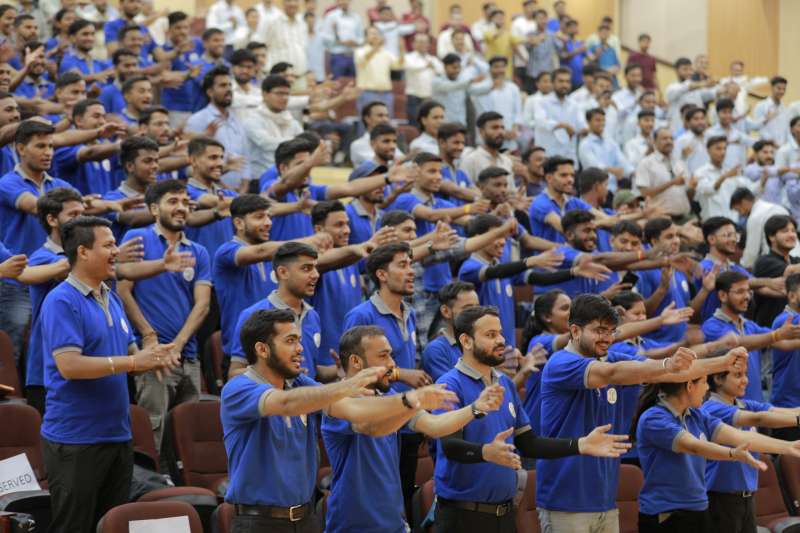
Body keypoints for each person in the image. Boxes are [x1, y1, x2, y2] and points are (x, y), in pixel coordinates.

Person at [536, 294, 746, 533]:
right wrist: (666, 364)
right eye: (599, 330)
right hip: (565, 501)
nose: (607, 338)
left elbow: (668, 372)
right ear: (575, 330)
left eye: (611, 331)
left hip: (605, 500)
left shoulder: (612, 357)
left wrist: (723, 363)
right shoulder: (561, 363)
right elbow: (613, 374)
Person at [222, 308, 436, 533]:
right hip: (259, 522)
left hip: (306, 518)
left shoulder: (299, 382)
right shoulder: (239, 388)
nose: (300, 348)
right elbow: (285, 403)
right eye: (290, 341)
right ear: (262, 349)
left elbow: (350, 408)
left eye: (299, 340)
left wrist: (409, 401)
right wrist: (348, 386)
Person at [435, 305, 632, 533]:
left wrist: (580, 445)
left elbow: (529, 444)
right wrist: (485, 452)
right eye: (490, 335)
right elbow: (450, 446)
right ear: (466, 341)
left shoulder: (505, 383)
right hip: (463, 515)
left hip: (504, 513)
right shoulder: (449, 384)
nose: (501, 340)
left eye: (500, 333)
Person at [39, 216, 177, 533]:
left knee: (111, 526)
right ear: (83, 251)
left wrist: (154, 357)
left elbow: (130, 350)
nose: (117, 250)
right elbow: (69, 365)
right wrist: (134, 363)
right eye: (109, 244)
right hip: (76, 439)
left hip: (117, 435)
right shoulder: (61, 300)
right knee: (75, 527)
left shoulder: (111, 296)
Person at [323, 324, 501, 533]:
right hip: (353, 526)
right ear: (356, 361)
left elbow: (434, 426)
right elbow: (371, 426)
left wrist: (474, 409)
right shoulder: (338, 400)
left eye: (391, 355)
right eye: (383, 356)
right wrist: (412, 404)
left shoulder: (389, 397)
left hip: (394, 524)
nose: (392, 364)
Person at [117, 180, 211, 451]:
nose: (181, 207)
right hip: (152, 356)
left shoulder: (198, 251)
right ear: (154, 209)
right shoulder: (137, 238)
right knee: (152, 432)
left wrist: (178, 346)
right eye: (173, 201)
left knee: (188, 438)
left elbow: (203, 305)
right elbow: (123, 291)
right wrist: (150, 337)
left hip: (188, 356)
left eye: (185, 202)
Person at [0, 120, 76, 362]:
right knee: (15, 340)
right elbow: (35, 207)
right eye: (41, 146)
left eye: (51, 146)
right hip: (15, 280)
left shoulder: (60, 186)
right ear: (21, 149)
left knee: (54, 338)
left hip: (53, 274)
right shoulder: (7, 182)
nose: (48, 152)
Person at [702, 363, 800, 532]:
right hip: (721, 499)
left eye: (745, 374)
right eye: (738, 375)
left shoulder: (744, 404)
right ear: (718, 379)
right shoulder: (711, 408)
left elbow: (785, 412)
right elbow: (760, 418)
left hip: (747, 497)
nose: (745, 380)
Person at [703, 270, 800, 403]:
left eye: (749, 291)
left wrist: (779, 336)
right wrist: (777, 335)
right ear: (722, 295)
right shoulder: (711, 326)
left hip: (756, 405)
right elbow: (736, 343)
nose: (747, 296)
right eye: (740, 292)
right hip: (730, 407)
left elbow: (782, 343)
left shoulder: (750, 325)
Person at [185, 66, 250, 191]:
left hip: (238, 193)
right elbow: (190, 168)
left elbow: (245, 158)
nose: (229, 89)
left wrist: (243, 190)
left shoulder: (237, 120)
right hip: (209, 192)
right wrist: (224, 187)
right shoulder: (197, 120)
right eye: (223, 85)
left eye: (230, 85)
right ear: (210, 92)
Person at [242, 75, 303, 179]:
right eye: (279, 93)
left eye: (287, 94)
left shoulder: (292, 122)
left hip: (289, 178)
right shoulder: (252, 120)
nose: (284, 98)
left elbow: (304, 145)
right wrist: (296, 142)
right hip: (260, 179)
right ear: (265, 94)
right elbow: (267, 143)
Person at [422, 281, 479, 381]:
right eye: (468, 309)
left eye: (478, 308)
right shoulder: (436, 350)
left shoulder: (480, 342)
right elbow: (450, 388)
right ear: (446, 311)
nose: (476, 314)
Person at [528, 156, 590, 244]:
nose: (570, 180)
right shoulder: (540, 203)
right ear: (549, 178)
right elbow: (565, 229)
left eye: (572, 175)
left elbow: (601, 217)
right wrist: (593, 225)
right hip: (551, 253)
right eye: (564, 175)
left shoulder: (573, 201)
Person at [635, 128, 691, 220]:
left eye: (671, 138)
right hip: (661, 219)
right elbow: (645, 193)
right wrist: (672, 183)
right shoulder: (646, 163)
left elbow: (686, 191)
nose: (669, 141)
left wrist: (693, 186)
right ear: (654, 142)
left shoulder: (679, 162)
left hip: (684, 216)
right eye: (664, 139)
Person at [730, 187, 793, 270]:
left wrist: (742, 267)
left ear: (744, 202)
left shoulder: (755, 217)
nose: (741, 214)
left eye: (738, 210)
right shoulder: (778, 207)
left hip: (776, 263)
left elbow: (752, 252)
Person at [754, 215, 800, 327]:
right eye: (785, 231)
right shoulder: (765, 261)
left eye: (793, 231)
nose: (791, 235)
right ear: (771, 236)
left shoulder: (795, 260)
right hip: (771, 328)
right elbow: (790, 271)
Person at [694, 137, 749, 221]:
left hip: (732, 221)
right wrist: (724, 177)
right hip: (712, 222)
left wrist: (763, 179)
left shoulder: (729, 171)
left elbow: (748, 186)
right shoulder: (700, 172)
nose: (723, 152)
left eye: (724, 148)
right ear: (708, 150)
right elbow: (707, 190)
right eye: (718, 148)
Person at [578, 108, 632, 191]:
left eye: (603, 120)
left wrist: (632, 173)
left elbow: (622, 161)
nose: (602, 123)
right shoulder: (585, 144)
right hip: (593, 189)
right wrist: (611, 170)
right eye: (598, 120)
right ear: (588, 122)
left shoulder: (611, 143)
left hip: (613, 188)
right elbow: (593, 166)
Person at [534, 67, 580, 162]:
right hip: (547, 155)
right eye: (561, 81)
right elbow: (540, 121)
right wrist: (562, 125)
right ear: (553, 83)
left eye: (567, 81)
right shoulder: (541, 102)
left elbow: (581, 126)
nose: (564, 85)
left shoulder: (574, 105)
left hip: (568, 156)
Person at [354, 26, 401, 117]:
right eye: (372, 33)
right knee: (366, 121)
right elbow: (362, 60)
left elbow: (398, 66)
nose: (375, 36)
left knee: (386, 122)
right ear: (365, 37)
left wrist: (402, 50)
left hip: (386, 93)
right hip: (367, 93)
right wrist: (376, 47)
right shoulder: (359, 51)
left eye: (377, 33)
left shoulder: (386, 53)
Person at [459, 111, 514, 187]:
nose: (500, 132)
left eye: (502, 128)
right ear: (481, 131)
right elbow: (463, 189)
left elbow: (510, 190)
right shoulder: (471, 161)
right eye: (495, 128)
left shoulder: (507, 161)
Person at [260, 0, 308, 86]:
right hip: (278, 79)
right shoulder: (272, 21)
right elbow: (262, 46)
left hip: (299, 76)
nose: (293, 4)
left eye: (296, 1)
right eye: (289, 1)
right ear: (283, 3)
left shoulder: (302, 23)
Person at [432, 53, 487, 127]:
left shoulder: (462, 80)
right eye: (454, 67)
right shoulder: (437, 80)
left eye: (459, 67)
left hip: (460, 123)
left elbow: (474, 91)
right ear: (445, 67)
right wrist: (471, 81)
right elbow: (451, 86)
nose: (457, 70)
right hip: (444, 124)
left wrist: (491, 87)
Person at [665, 57, 717, 133]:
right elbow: (687, 87)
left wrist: (720, 87)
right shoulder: (672, 87)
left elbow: (711, 94)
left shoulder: (696, 88)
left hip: (697, 130)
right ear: (676, 71)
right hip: (678, 129)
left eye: (690, 69)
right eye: (685, 69)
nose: (689, 72)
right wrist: (704, 83)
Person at [349, 101, 403, 166]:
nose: (385, 119)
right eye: (380, 115)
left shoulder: (391, 141)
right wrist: (407, 158)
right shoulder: (358, 144)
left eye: (387, 116)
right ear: (367, 118)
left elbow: (406, 163)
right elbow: (380, 163)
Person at [321, 0, 364, 79]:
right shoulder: (331, 16)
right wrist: (339, 41)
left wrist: (355, 42)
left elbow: (361, 38)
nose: (344, 2)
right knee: (337, 84)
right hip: (338, 56)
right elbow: (325, 38)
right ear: (337, 1)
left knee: (353, 83)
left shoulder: (356, 17)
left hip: (353, 56)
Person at [524, 9, 558, 89]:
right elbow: (528, 46)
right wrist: (539, 38)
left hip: (548, 73)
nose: (542, 21)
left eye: (544, 18)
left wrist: (564, 40)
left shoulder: (552, 35)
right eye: (539, 18)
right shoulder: (530, 34)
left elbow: (561, 49)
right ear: (534, 20)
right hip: (533, 74)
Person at [752, 76, 789, 145]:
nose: (782, 91)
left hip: (781, 146)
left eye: (784, 89)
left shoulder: (784, 108)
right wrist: (766, 118)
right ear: (772, 87)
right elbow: (755, 127)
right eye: (779, 88)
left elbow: (786, 129)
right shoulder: (761, 106)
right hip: (766, 145)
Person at [674, 106, 710, 175]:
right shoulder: (682, 140)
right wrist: (683, 156)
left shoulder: (710, 137)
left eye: (702, 118)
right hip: (692, 179)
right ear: (688, 122)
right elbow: (676, 163)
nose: (700, 122)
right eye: (696, 119)